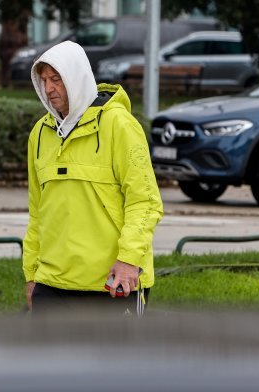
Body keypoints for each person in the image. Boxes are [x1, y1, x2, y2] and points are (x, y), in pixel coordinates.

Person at [23, 40, 163, 317]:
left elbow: (145, 202)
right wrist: (31, 274)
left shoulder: (119, 125)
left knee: (110, 362)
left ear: (76, 78)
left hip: (112, 283)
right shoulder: (39, 133)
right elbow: (37, 213)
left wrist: (128, 260)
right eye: (44, 81)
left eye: (56, 80)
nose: (49, 89)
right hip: (51, 284)